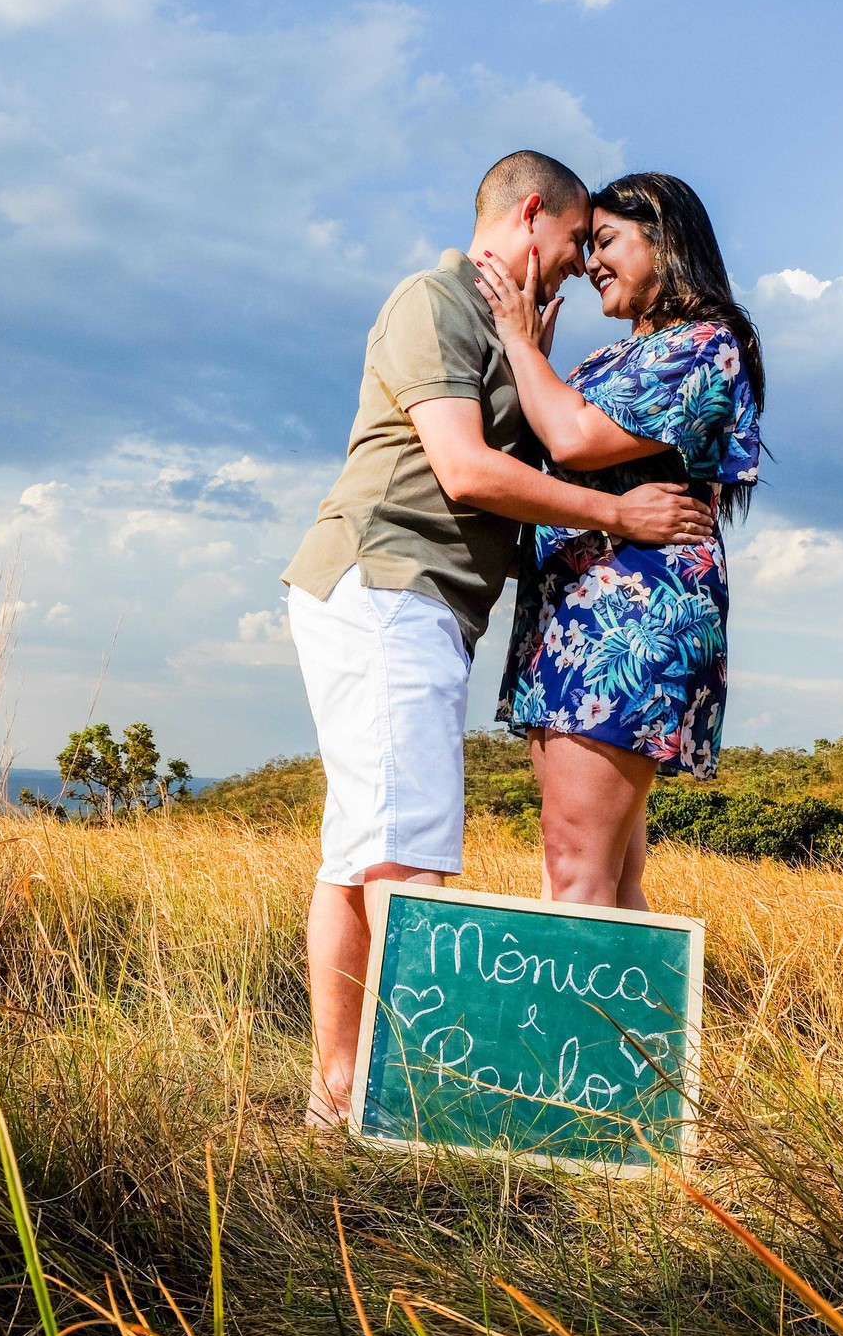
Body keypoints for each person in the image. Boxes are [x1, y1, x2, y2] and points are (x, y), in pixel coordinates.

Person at [283, 151, 714, 1127]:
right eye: (574, 243)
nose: (578, 267)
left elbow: (529, 473)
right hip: (388, 582)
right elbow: (468, 473)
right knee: (408, 858)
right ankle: (416, 1108)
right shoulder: (435, 300)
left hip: (421, 597)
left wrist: (531, 360)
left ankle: (338, 1097)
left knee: (358, 853)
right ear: (531, 216)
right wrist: (625, 522)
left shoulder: (500, 325)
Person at [479, 171, 764, 911]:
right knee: (592, 870)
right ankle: (627, 1029)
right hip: (572, 621)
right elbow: (535, 467)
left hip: (627, 622)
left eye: (605, 241)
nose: (591, 261)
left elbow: (572, 439)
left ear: (664, 239)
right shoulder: (602, 360)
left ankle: (569, 1032)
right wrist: (533, 363)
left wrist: (518, 342)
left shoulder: (705, 343)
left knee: (575, 867)